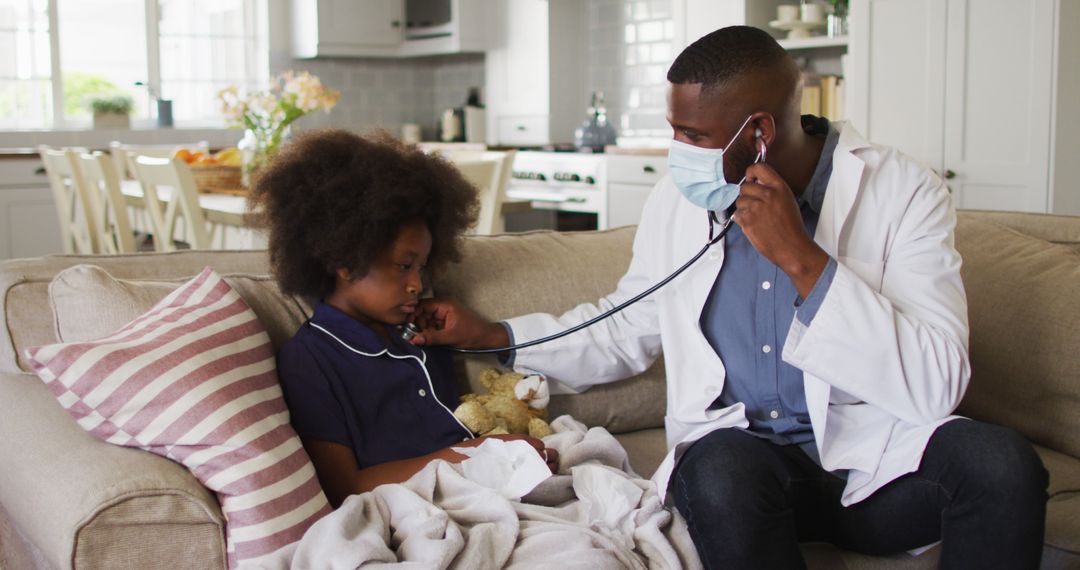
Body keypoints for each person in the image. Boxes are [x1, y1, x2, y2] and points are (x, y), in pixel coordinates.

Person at [410, 27, 1048, 568]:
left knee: (1000, 463)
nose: (676, 152)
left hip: (874, 471)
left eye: (692, 135)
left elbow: (938, 383)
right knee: (720, 468)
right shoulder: (682, 201)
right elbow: (625, 327)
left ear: (759, 133)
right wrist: (495, 335)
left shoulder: (903, 191)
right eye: (674, 131)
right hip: (743, 477)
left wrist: (803, 259)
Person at [253, 129, 558, 508]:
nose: (417, 284)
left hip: (485, 491)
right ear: (345, 260)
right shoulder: (310, 361)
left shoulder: (422, 335)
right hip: (413, 508)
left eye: (423, 266)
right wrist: (476, 453)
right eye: (403, 266)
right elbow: (345, 487)